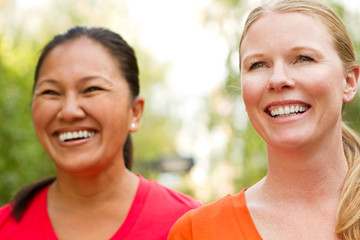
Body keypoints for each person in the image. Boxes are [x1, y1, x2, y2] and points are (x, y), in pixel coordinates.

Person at [168, 0, 360, 239]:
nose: (277, 79)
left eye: (303, 58)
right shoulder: (197, 231)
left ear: (349, 82)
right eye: (258, 64)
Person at [0, 26, 201, 240]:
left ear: (134, 112)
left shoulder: (191, 225)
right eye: (50, 92)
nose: (69, 111)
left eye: (91, 89)